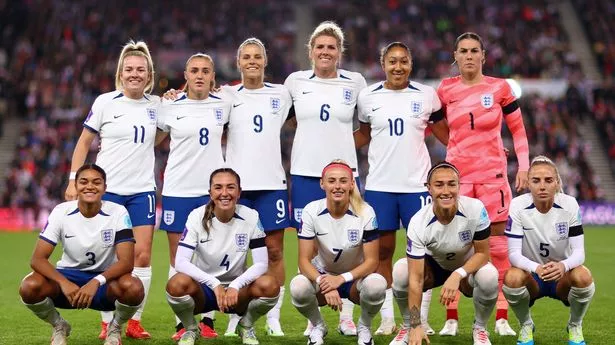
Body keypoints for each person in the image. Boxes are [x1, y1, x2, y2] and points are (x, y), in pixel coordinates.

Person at [436, 31, 529, 337]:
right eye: (463, 51)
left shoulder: (499, 88)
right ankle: (451, 317)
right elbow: (434, 125)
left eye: (475, 50)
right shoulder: (446, 89)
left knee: (498, 247)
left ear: (483, 56)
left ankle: (501, 315)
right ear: (456, 56)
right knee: (454, 243)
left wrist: (523, 166)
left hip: (493, 177)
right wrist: (455, 147)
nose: (469, 56)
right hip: (458, 179)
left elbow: (518, 131)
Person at [64, 40, 159, 339]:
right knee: (110, 259)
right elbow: (83, 143)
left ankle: (132, 320)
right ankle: (108, 321)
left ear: (149, 74)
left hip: (142, 190)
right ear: (121, 72)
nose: (135, 74)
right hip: (110, 191)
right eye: (129, 69)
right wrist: (72, 180)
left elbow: (156, 138)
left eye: (140, 69)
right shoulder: (105, 102)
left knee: (142, 256)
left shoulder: (158, 105)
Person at [354, 41, 448, 336]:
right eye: (392, 61)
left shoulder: (427, 95)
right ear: (383, 64)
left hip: (416, 186)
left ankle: (420, 318)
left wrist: (486, 149)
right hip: (380, 186)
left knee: (422, 252)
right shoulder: (367, 97)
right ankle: (385, 318)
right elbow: (363, 136)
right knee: (381, 253)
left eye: (403, 61)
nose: (398, 66)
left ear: (411, 64)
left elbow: (448, 136)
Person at [285, 20, 367, 336]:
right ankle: (313, 319)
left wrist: (341, 152)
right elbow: (288, 119)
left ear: (340, 52)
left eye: (331, 47)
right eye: (319, 46)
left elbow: (367, 129)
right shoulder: (294, 82)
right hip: (305, 175)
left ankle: (347, 314)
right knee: (310, 245)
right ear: (310, 51)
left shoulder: (356, 83)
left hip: (346, 177)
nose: (325, 51)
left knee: (352, 243)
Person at [19, 164, 144, 345]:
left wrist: (95, 282)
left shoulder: (118, 212)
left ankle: (114, 328)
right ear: (76, 186)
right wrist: (64, 282)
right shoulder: (61, 211)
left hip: (104, 283)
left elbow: (126, 263)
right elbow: (37, 259)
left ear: (105, 188)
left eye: (96, 182)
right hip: (68, 279)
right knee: (29, 286)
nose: (90, 186)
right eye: (83, 182)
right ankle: (59, 325)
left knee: (133, 287)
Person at [157, 52, 232, 340]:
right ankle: (182, 322)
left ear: (213, 77)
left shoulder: (224, 104)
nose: (199, 75)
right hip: (177, 189)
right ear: (185, 75)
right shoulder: (169, 105)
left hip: (211, 193)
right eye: (194, 70)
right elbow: (155, 140)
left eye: (205, 71)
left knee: (208, 257)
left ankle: (209, 321)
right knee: (179, 259)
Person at [224, 37, 293, 337]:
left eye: (257, 56)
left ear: (266, 62)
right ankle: (233, 313)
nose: (252, 61)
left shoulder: (282, 94)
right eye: (246, 56)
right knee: (236, 253)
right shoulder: (226, 95)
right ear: (238, 63)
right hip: (236, 188)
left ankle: (273, 315)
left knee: (275, 252)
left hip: (271, 184)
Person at [166, 168, 280, 345]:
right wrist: (214, 283)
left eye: (230, 187)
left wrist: (235, 284)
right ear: (210, 192)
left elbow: (261, 264)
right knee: (176, 284)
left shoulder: (251, 216)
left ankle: (246, 326)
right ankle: (190, 328)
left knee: (270, 285)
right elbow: (180, 262)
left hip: (237, 292)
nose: (224, 193)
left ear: (239, 192)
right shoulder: (196, 216)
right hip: (204, 290)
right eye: (218, 188)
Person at [390, 162, 498, 345]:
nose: (446, 191)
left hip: (467, 267)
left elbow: (483, 254)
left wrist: (458, 274)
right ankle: (409, 327)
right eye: (439, 185)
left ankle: (480, 328)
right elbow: (415, 279)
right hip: (435, 267)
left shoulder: (476, 209)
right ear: (429, 188)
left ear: (459, 186)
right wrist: (417, 324)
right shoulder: (418, 222)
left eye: (451, 184)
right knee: (401, 271)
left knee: (489, 276)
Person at [289, 160, 386, 345]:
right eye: (332, 181)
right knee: (298, 286)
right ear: (322, 183)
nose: (337, 186)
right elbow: (303, 261)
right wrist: (324, 282)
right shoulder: (311, 210)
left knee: (377, 285)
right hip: (322, 276)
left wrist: (341, 279)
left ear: (351, 184)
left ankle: (364, 327)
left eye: (343, 181)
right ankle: (318, 326)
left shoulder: (366, 212)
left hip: (354, 279)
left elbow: (372, 261)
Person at [503, 155, 595, 345]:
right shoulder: (518, 205)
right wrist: (536, 268)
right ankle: (526, 325)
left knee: (584, 277)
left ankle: (575, 325)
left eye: (548, 180)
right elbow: (513, 255)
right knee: (511, 278)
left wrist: (563, 265)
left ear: (557, 183)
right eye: (536, 181)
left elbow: (579, 253)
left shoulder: (569, 204)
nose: (542, 186)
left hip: (562, 276)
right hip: (532, 275)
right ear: (528, 183)